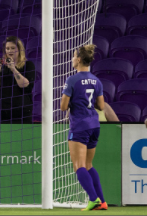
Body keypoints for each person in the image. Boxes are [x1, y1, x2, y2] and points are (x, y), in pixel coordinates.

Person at [60, 44, 107, 211]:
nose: (72, 59)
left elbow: (63, 107)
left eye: (73, 56)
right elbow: (101, 106)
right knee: (88, 164)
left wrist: (73, 99)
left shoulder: (72, 80)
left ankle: (93, 199)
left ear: (79, 60)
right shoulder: (97, 80)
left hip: (79, 125)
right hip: (94, 124)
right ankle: (102, 201)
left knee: (79, 165)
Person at [0, 36, 35, 124]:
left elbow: (25, 85)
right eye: (7, 48)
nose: (10, 51)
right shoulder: (3, 68)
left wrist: (13, 69)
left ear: (19, 50)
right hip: (2, 111)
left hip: (21, 112)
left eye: (13, 48)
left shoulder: (28, 65)